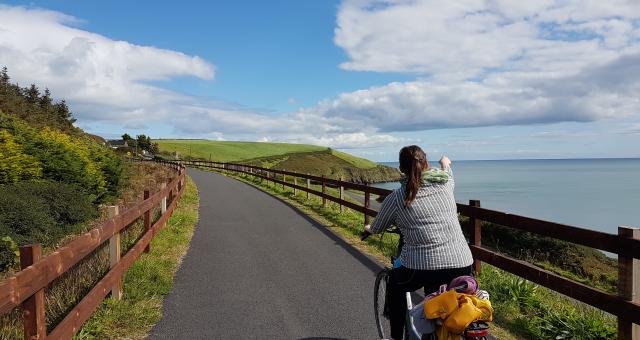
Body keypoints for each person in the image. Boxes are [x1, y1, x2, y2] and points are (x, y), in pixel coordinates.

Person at [362, 145, 474, 340]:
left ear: (401, 169)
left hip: (420, 267)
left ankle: (396, 337)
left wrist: (370, 229)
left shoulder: (396, 198)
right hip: (463, 263)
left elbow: (378, 226)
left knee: (396, 285)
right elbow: (448, 173)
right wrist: (445, 163)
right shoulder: (444, 184)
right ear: (426, 163)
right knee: (438, 292)